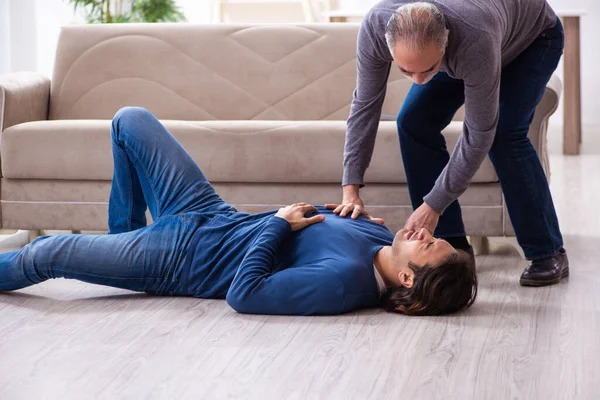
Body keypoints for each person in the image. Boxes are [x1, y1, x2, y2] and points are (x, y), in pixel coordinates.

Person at [0, 107, 476, 316]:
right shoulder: (382, 242)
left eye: (429, 244)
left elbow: (245, 294)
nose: (423, 233)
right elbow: (313, 229)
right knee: (130, 120)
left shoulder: (340, 285)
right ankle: (121, 240)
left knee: (45, 252)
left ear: (409, 279)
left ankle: (126, 252)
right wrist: (340, 211)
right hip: (208, 212)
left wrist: (276, 224)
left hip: (180, 258)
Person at [337, 0, 569, 287]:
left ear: (444, 40)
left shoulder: (475, 37)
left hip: (532, 41)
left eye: (428, 69)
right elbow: (365, 106)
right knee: (413, 123)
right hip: (465, 45)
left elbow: (478, 133)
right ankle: (453, 247)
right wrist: (350, 188)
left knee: (504, 134)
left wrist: (433, 204)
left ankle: (547, 251)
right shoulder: (375, 27)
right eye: (407, 72)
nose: (419, 82)